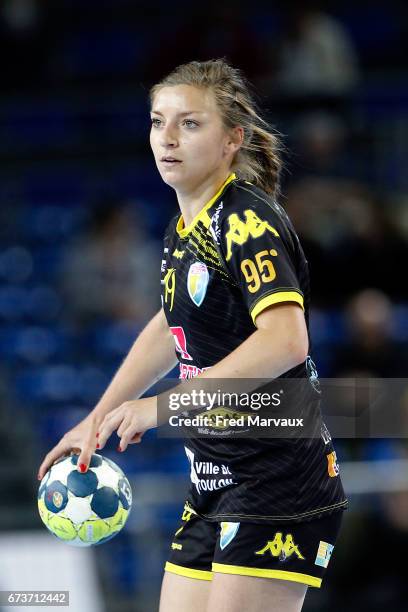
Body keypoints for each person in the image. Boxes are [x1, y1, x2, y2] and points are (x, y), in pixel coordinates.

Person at [38, 59, 347, 612]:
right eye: (158, 122)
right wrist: (99, 415)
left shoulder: (246, 222)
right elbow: (170, 324)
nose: (167, 138)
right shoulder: (186, 228)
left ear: (234, 138)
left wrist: (159, 409)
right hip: (215, 475)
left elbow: (286, 340)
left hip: (278, 478)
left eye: (190, 123)